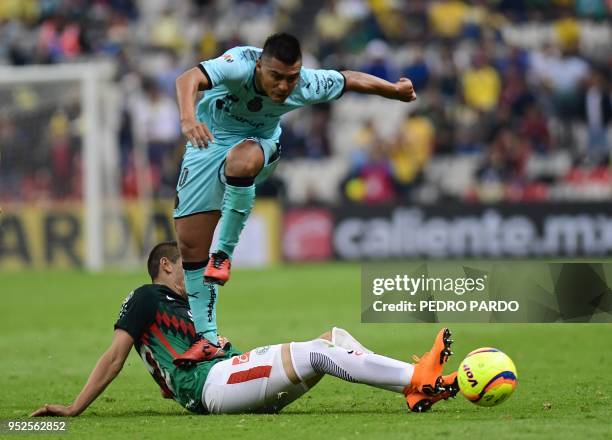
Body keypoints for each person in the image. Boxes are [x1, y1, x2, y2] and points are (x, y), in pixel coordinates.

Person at [173, 33, 418, 360]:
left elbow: (349, 78)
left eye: (291, 78)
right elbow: (188, 78)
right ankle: (207, 337)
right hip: (207, 141)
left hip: (258, 144)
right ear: (260, 66)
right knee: (189, 246)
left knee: (241, 161)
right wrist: (188, 118)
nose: (284, 86)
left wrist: (394, 90)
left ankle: (224, 254)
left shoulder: (307, 83)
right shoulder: (237, 66)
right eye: (276, 76)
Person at [31, 242, 458, 417]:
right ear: (165, 265)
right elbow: (114, 357)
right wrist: (73, 410)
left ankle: (415, 382)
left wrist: (217, 346)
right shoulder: (147, 297)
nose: (193, 271)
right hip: (209, 389)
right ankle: (418, 380)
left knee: (334, 338)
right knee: (316, 354)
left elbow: (168, 370)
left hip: (221, 376)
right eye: (186, 265)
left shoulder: (185, 306)